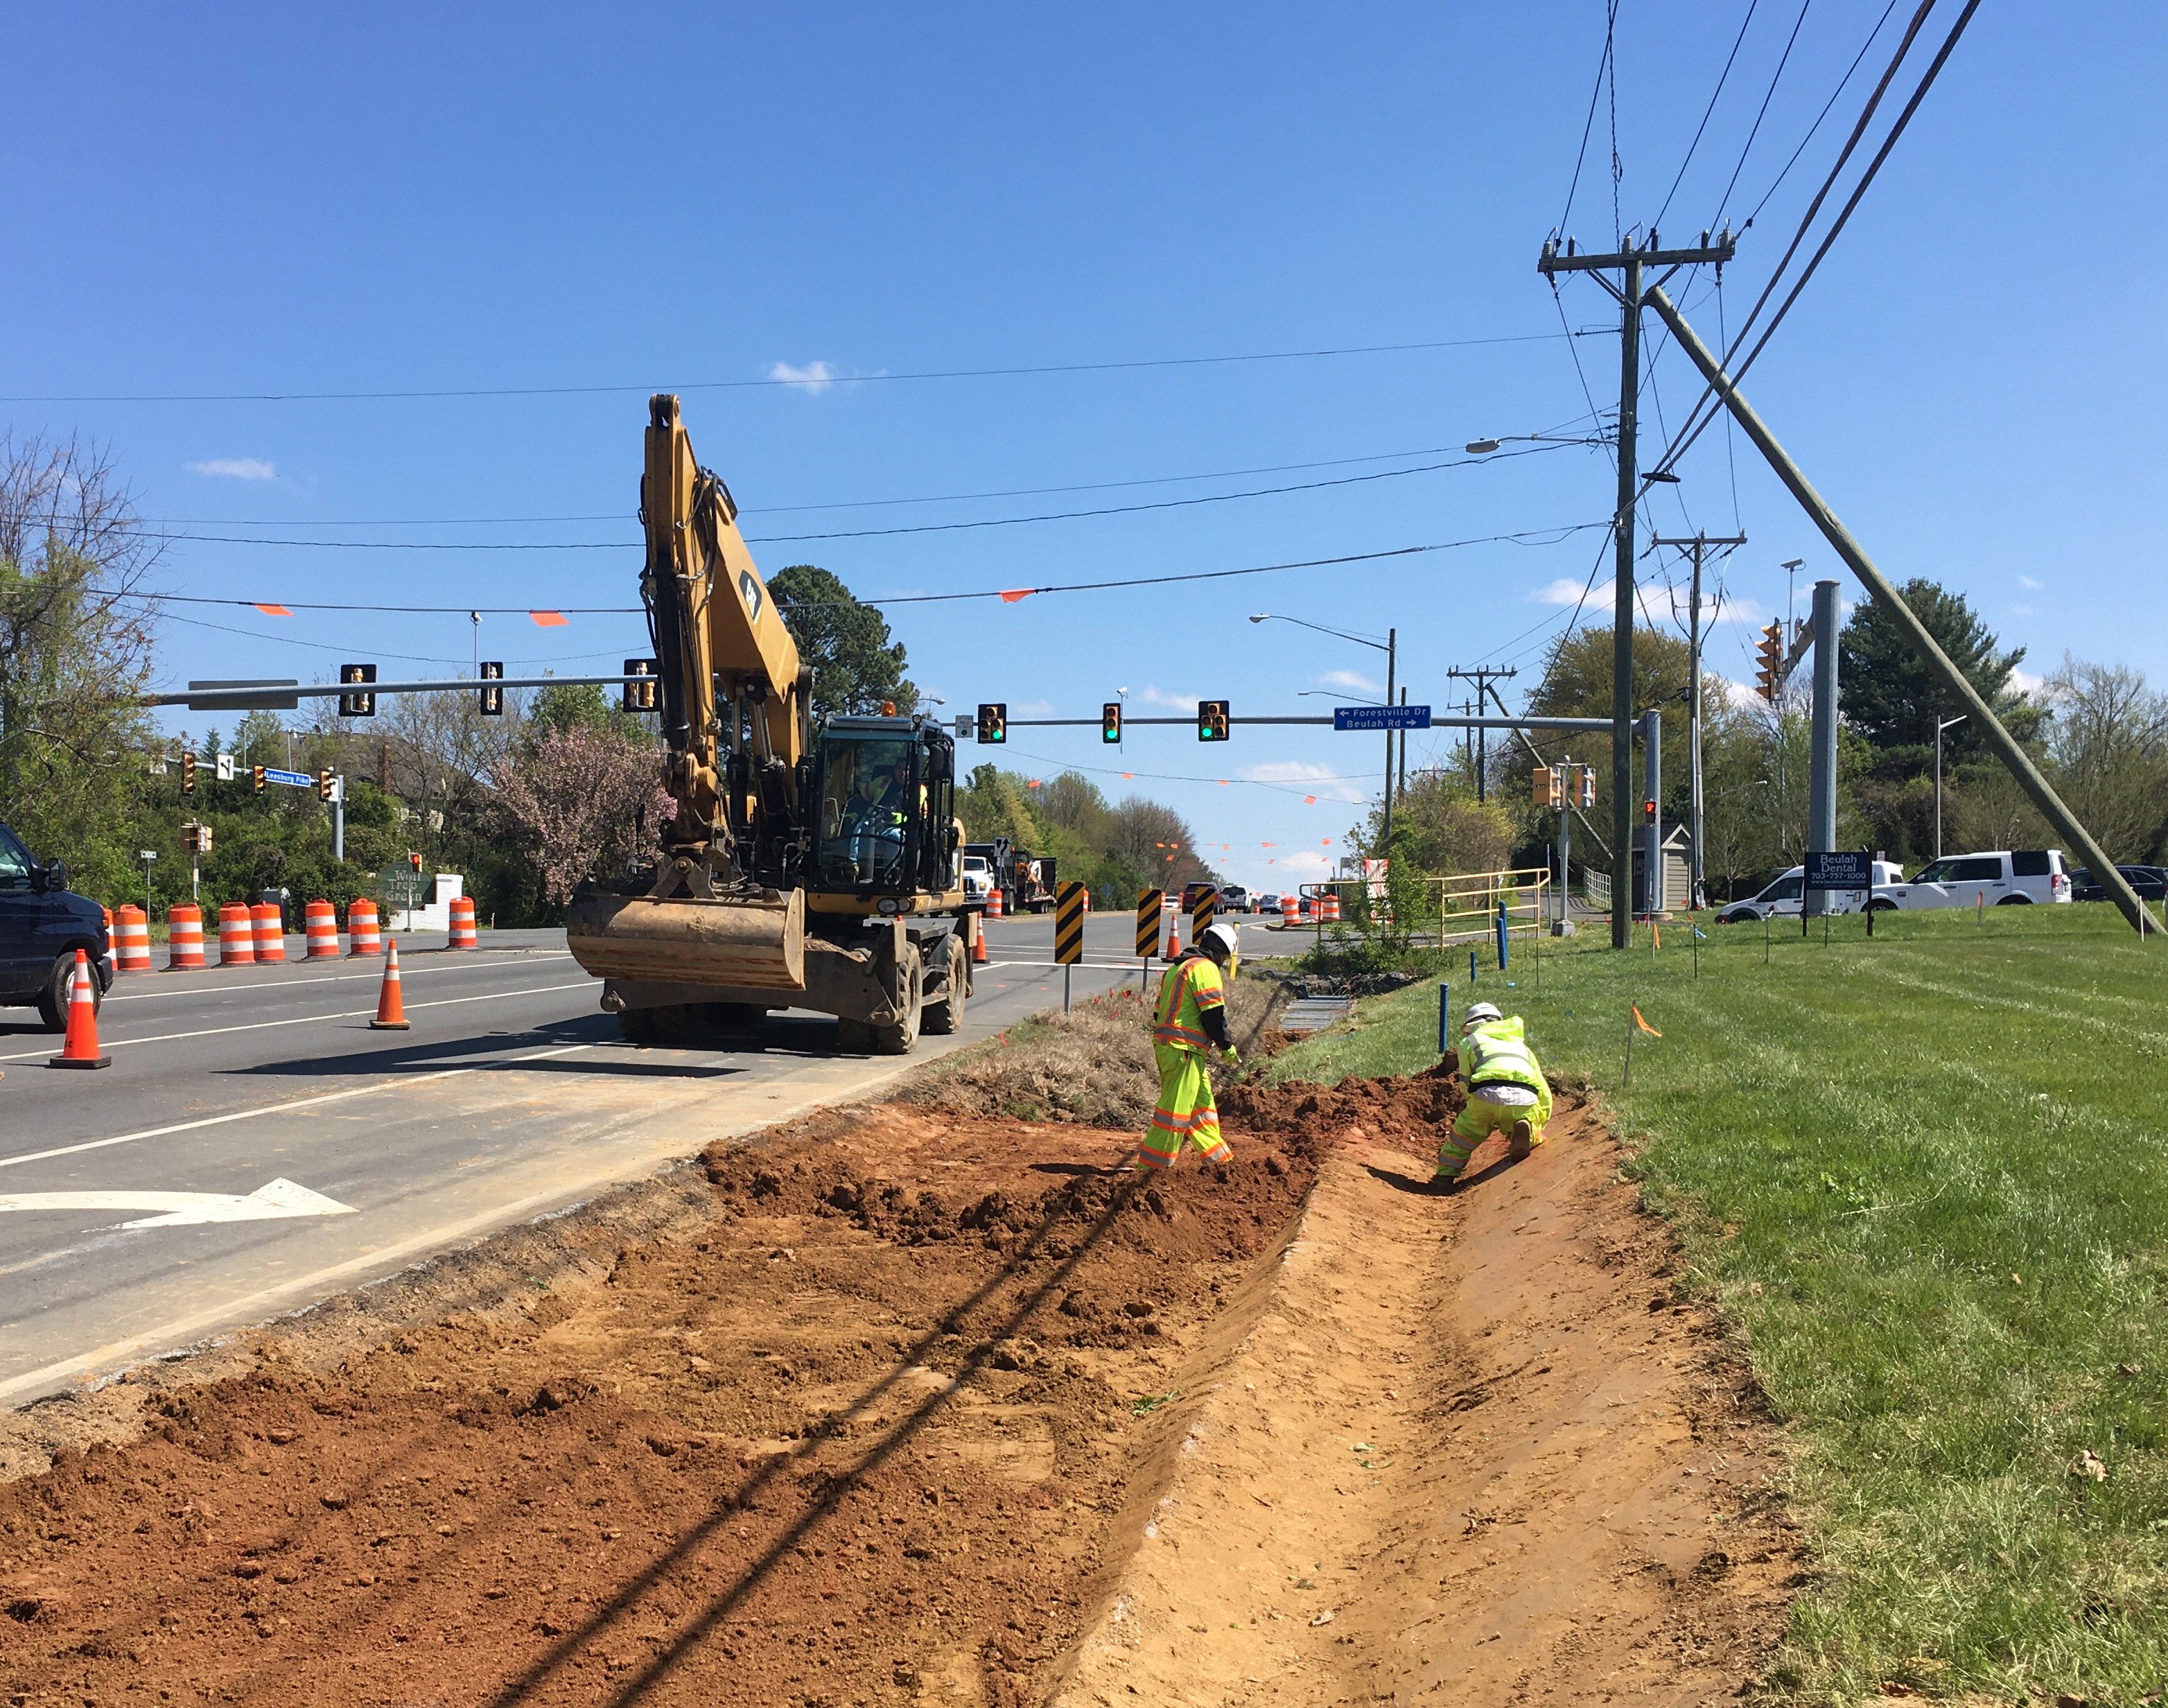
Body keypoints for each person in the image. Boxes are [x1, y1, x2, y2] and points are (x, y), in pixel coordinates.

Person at [1136, 921, 1241, 1171]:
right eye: (1225, 957)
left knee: (1200, 1106)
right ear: (1220, 953)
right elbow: (1213, 1015)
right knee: (1175, 1112)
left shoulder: (1177, 969)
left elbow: (1157, 1012)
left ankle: (1219, 1162)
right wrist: (1226, 1046)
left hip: (1173, 1047)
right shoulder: (1205, 969)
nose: (1223, 962)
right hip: (1184, 1048)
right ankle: (1151, 1169)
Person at [1434, 1000, 1553, 1188]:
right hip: (1525, 1096)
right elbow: (1542, 1087)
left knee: (1463, 1135)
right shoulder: (1522, 1046)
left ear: (1470, 1026)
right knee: (1527, 1127)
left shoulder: (1469, 1042)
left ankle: (1444, 1176)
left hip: (1485, 1094)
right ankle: (1528, 1134)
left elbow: (1465, 1079)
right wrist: (1540, 1119)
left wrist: (1471, 1100)